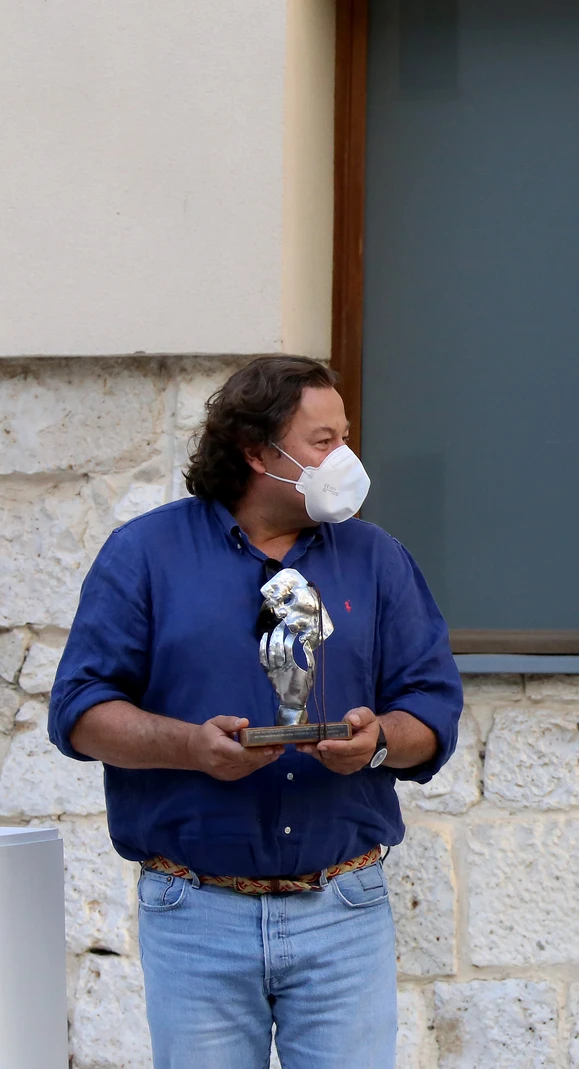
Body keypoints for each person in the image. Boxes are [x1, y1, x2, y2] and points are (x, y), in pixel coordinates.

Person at [48, 356, 463, 1068]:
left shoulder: (378, 559)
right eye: (322, 441)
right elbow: (81, 711)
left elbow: (432, 707)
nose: (346, 459)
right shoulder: (145, 555)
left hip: (344, 911)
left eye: (344, 436)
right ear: (256, 451)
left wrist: (380, 741)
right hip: (196, 914)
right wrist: (192, 747)